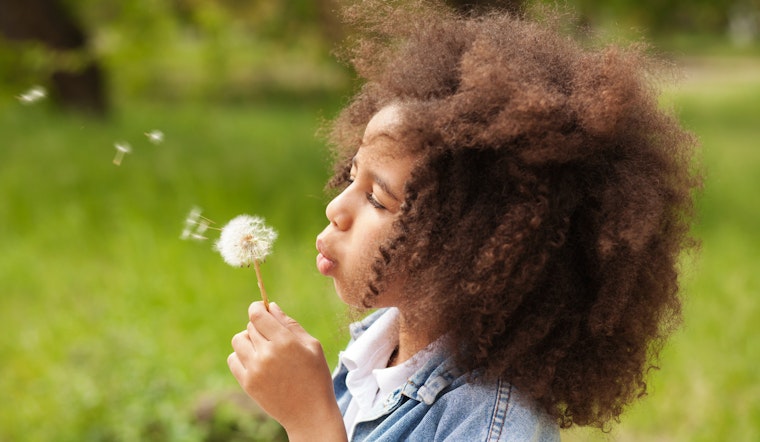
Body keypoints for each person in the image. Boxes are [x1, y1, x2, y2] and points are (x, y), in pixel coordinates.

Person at [226, 1, 701, 441]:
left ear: (468, 255)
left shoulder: (492, 423)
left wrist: (311, 421)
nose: (336, 207)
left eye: (376, 198)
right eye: (351, 176)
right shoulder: (373, 355)